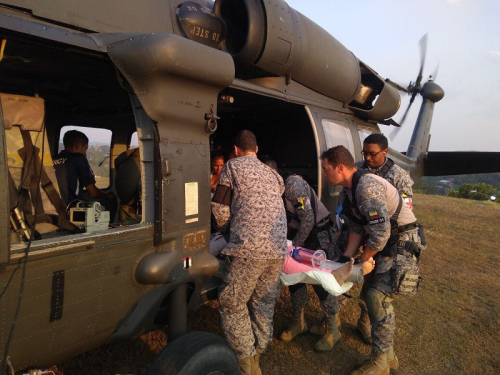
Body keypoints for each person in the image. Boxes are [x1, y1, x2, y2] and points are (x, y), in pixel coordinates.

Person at [321, 145, 423, 375]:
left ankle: (380, 362)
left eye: (326, 169)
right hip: (384, 243)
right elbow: (357, 229)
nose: (324, 174)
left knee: (377, 298)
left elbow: (381, 232)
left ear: (340, 168)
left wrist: (363, 259)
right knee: (370, 295)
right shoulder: (349, 191)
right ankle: (389, 358)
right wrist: (346, 259)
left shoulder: (366, 187)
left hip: (399, 243)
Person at [211, 130, 287, 375]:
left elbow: (220, 210)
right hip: (277, 249)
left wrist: (225, 232)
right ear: (256, 149)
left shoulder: (232, 167)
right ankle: (258, 355)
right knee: (263, 302)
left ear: (235, 150)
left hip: (248, 249)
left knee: (232, 303)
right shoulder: (273, 174)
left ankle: (246, 361)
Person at [262, 159, 344, 353]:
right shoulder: (272, 191)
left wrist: (295, 246)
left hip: (317, 235)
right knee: (294, 278)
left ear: (276, 174)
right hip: (300, 235)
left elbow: (307, 219)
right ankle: (298, 321)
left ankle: (333, 327)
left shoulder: (293, 186)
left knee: (321, 280)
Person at [354, 133, 415, 344]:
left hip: (390, 239)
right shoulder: (358, 169)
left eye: (372, 154)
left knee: (379, 285)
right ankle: (364, 319)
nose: (368, 158)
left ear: (385, 152)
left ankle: (371, 322)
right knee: (368, 276)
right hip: (368, 234)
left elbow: (406, 209)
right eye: (365, 153)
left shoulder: (399, 176)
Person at [54, 130, 117, 220]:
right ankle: (108, 228)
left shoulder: (53, 159)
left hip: (54, 208)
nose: (85, 153)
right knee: (111, 200)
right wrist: (106, 195)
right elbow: (93, 193)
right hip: (70, 211)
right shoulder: (79, 159)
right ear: (78, 146)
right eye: (85, 149)